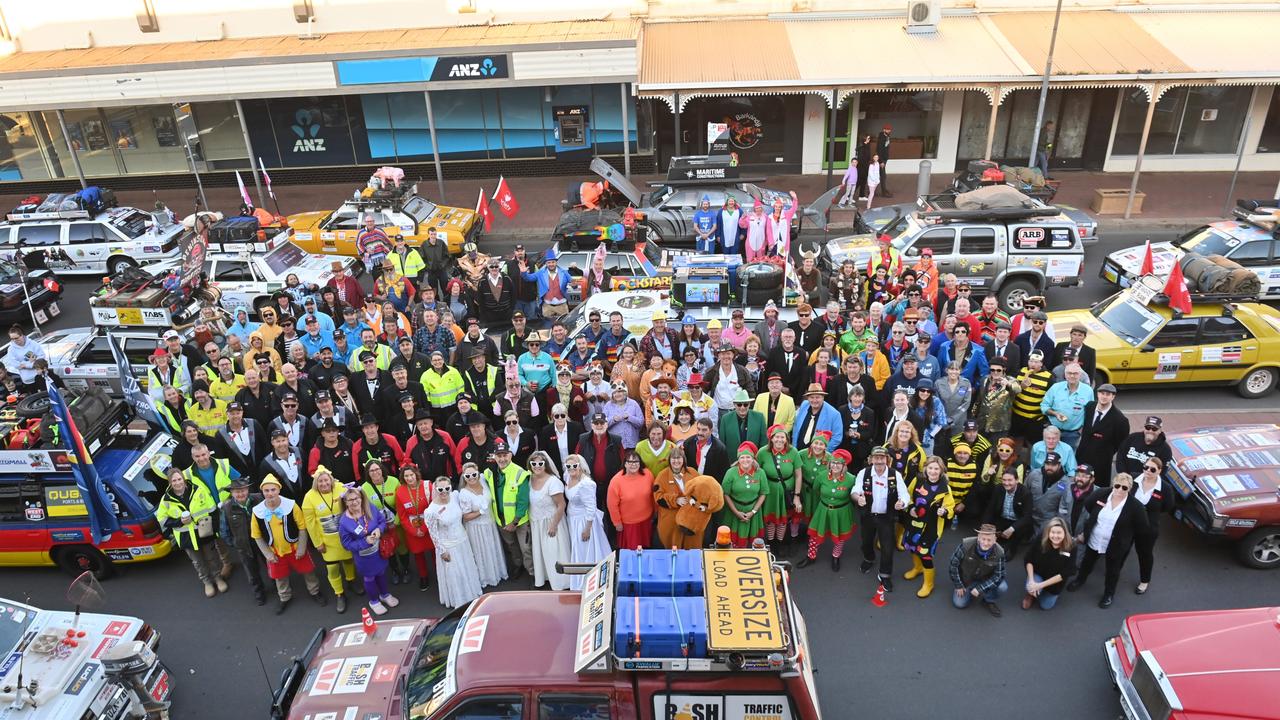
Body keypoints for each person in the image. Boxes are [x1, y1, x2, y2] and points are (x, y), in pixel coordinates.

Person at [1068, 472, 1149, 608]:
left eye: (1124, 488)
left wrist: (1127, 536)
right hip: (1095, 538)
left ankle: (1108, 594)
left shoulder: (1135, 506)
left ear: (1129, 489)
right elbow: (1088, 504)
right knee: (1087, 562)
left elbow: (1142, 526)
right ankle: (1080, 580)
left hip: (1116, 544)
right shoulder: (1101, 494)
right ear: (1113, 485)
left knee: (1113, 570)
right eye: (1117, 486)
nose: (1119, 490)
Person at [250, 476, 325, 614]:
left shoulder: (291, 505)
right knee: (280, 577)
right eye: (266, 490)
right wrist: (268, 554)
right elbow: (257, 536)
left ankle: (315, 591)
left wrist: (302, 547)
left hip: (295, 548)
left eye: (273, 489)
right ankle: (284, 597)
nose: (270, 493)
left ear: (279, 489)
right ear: (262, 492)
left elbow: (302, 527)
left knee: (308, 571)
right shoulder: (257, 511)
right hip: (275, 551)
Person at [158, 467, 228, 598]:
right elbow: (162, 520)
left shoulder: (198, 490)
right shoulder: (166, 500)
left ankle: (218, 578)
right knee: (198, 562)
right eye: (174, 480)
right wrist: (179, 522)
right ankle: (207, 582)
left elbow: (212, 509)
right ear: (170, 483)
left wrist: (215, 529)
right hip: (186, 537)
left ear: (183, 479)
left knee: (211, 557)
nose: (178, 482)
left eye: (179, 479)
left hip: (205, 532)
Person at [301, 466, 358, 614]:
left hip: (345, 535)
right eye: (320, 481)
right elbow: (310, 522)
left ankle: (351, 581)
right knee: (332, 568)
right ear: (316, 483)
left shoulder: (341, 488)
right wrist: (317, 543)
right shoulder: (309, 497)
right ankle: (339, 593)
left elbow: (353, 504)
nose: (324, 484)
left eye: (326, 480)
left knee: (348, 560)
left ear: (331, 479)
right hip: (326, 539)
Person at [422, 477, 484, 608]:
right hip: (449, 546)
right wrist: (442, 551)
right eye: (440, 489)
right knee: (456, 574)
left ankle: (472, 594)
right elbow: (433, 534)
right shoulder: (431, 511)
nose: (444, 491)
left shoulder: (455, 497)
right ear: (435, 489)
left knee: (467, 568)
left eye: (447, 488)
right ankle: (460, 601)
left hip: (463, 541)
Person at [337, 485, 399, 615]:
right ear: (345, 502)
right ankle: (374, 601)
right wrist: (364, 542)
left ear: (361, 497)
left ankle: (385, 595)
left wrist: (379, 530)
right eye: (350, 500)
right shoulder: (344, 522)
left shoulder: (370, 508)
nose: (355, 502)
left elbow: (382, 522)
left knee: (381, 572)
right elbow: (346, 544)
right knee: (370, 577)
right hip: (364, 557)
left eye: (357, 498)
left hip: (378, 551)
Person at [854, 445, 908, 590]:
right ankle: (869, 558)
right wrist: (858, 498)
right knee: (866, 542)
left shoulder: (894, 474)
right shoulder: (863, 473)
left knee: (888, 547)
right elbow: (856, 490)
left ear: (887, 460)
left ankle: (885, 575)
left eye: (882, 458)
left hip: (886, 517)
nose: (879, 461)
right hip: (868, 516)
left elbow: (904, 493)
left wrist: (901, 502)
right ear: (871, 459)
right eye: (876, 458)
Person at [902, 456, 956, 598]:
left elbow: (950, 508)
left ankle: (928, 583)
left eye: (936, 468)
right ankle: (917, 568)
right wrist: (911, 507)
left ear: (941, 471)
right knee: (912, 547)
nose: (933, 471)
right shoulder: (918, 480)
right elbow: (907, 495)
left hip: (931, 527)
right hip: (915, 523)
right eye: (930, 468)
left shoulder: (945, 488)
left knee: (925, 554)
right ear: (926, 469)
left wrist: (944, 511)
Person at [797, 449, 856, 571]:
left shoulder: (851, 479)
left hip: (842, 511)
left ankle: (836, 556)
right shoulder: (822, 476)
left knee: (839, 536)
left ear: (844, 466)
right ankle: (811, 556)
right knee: (814, 535)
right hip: (823, 509)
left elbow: (853, 495)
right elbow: (816, 490)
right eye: (833, 463)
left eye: (839, 463)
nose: (835, 466)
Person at [483, 438, 532, 579]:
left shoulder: (519, 472)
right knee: (511, 547)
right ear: (494, 456)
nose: (502, 459)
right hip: (501, 520)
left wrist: (515, 522)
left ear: (510, 455)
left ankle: (532, 573)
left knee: (526, 548)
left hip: (519, 521)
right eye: (499, 456)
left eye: (505, 455)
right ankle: (518, 566)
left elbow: (523, 501)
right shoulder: (489, 473)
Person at [457, 462, 508, 588]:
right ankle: (485, 578)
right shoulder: (464, 493)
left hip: (490, 524)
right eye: (467, 476)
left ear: (478, 473)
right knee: (481, 553)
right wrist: (480, 512)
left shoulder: (484, 481)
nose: (471, 478)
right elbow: (465, 516)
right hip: (476, 529)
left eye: (474, 474)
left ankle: (497, 573)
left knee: (492, 548)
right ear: (464, 477)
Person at [562, 453, 611, 580]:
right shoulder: (567, 476)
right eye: (568, 466)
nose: (571, 468)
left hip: (584, 521)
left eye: (574, 465)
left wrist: (587, 529)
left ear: (580, 466)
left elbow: (591, 508)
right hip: (572, 519)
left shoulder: (587, 484)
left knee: (585, 549)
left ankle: (589, 579)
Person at [221, 476, 268, 606]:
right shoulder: (227, 508)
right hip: (244, 546)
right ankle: (259, 593)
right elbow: (224, 532)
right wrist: (236, 543)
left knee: (271, 565)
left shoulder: (259, 498)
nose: (240, 493)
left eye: (243, 490)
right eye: (236, 491)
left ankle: (278, 585)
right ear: (231, 493)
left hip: (263, 542)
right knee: (252, 572)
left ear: (247, 490)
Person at [527, 450, 572, 589]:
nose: (537, 466)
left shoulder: (553, 481)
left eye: (540, 463)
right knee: (542, 553)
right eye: (533, 463)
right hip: (536, 522)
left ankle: (561, 582)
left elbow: (561, 505)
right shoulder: (529, 479)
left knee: (554, 552)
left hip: (552, 522)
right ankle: (545, 577)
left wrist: (553, 525)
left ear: (545, 464)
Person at [1132, 456, 1174, 596]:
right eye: (1145, 467)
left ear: (1159, 471)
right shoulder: (1134, 479)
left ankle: (1144, 581)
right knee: (1121, 550)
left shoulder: (1165, 489)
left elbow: (1168, 507)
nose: (1148, 471)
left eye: (1152, 469)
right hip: (1128, 524)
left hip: (1148, 529)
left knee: (1144, 554)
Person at [758, 425, 803, 552]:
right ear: (771, 439)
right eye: (776, 437)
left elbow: (798, 475)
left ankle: (780, 542)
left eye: (782, 437)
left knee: (783, 520)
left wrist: (797, 496)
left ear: (786, 439)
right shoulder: (762, 452)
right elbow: (757, 471)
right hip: (769, 491)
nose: (779, 440)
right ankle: (772, 544)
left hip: (786, 491)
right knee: (770, 520)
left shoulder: (793, 452)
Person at [948, 524, 1008, 617]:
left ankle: (989, 600)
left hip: (985, 579)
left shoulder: (1000, 552)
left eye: (989, 540)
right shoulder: (966, 545)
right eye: (983, 539)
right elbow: (953, 565)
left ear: (995, 540)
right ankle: (969, 590)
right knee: (960, 604)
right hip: (966, 579)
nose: (986, 543)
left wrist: (981, 588)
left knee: (1003, 587)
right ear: (978, 538)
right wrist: (958, 585)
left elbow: (999, 575)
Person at [1075, 383, 1128, 488]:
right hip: (1082, 456)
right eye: (1102, 393)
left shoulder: (1120, 420)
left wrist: (1105, 453)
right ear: (1097, 394)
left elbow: (1121, 443)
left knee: (1097, 490)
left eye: (1108, 394)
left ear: (1113, 397)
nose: (1104, 396)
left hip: (1101, 462)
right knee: (1079, 485)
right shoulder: (1090, 407)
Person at [394, 464, 435, 592]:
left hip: (428, 524)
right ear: (403, 477)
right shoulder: (400, 491)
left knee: (435, 551)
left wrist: (424, 528)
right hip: (412, 528)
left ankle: (440, 573)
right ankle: (423, 576)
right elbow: (402, 515)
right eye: (406, 476)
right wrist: (413, 530)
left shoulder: (427, 486)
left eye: (411, 475)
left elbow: (434, 508)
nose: (409, 478)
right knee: (418, 554)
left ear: (416, 474)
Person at [1023, 517, 1076, 610]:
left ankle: (1040, 591)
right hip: (1038, 574)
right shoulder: (1041, 539)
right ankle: (1031, 594)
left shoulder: (1072, 547)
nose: (1055, 536)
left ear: (1065, 533)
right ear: (1048, 532)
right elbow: (1028, 559)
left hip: (1055, 581)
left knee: (1045, 606)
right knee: (1030, 588)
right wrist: (1032, 581)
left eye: (1059, 533)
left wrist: (1039, 586)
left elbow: (1066, 572)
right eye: (1053, 532)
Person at [721, 443, 767, 548]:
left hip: (754, 512)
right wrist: (736, 512)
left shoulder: (760, 473)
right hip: (734, 511)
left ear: (753, 459)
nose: (745, 460)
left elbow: (763, 493)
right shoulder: (730, 472)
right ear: (738, 459)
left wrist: (753, 512)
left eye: (748, 457)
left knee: (753, 542)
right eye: (742, 457)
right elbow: (725, 494)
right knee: (731, 542)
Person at [983, 466, 1033, 557]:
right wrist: (985, 526)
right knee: (990, 535)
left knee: (1017, 535)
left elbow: (1027, 516)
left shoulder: (1025, 493)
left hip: (1017, 522)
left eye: (1010, 480)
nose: (1006, 483)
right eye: (1004, 480)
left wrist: (1011, 529)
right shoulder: (998, 489)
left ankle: (1012, 548)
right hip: (1002, 519)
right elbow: (990, 509)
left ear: (1017, 480)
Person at [1040, 365, 1094, 450]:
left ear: (1080, 375)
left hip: (1073, 434)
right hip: (1053, 431)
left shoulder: (1088, 391)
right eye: (1069, 373)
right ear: (1065, 375)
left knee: (1068, 458)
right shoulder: (1055, 388)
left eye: (1075, 373)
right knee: (1050, 458)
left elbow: (1090, 412)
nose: (1072, 376)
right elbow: (1044, 405)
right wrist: (1055, 413)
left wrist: (1082, 430)